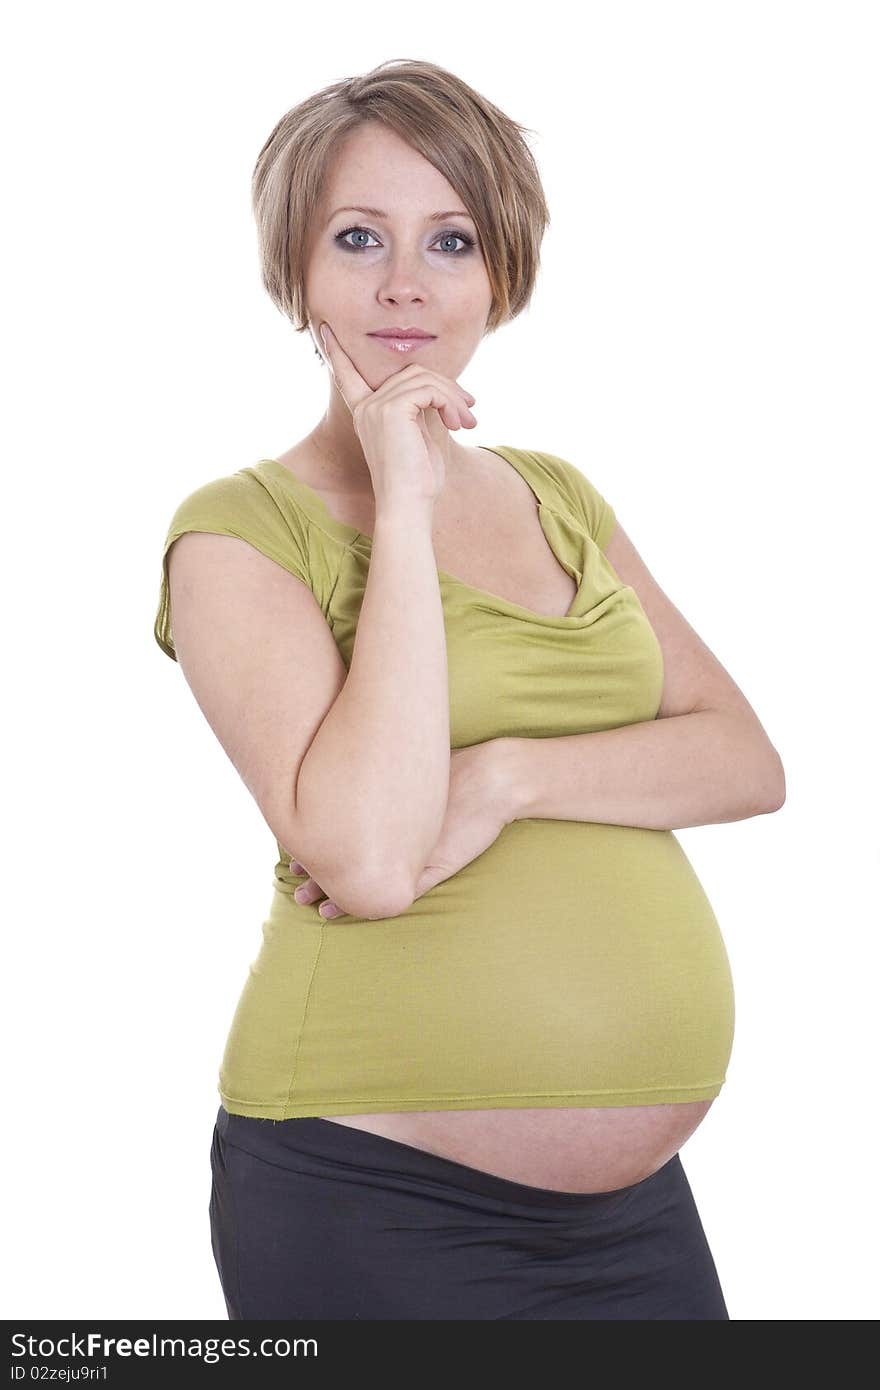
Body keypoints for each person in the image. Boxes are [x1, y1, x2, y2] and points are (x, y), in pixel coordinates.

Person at [154, 58, 785, 1320]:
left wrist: (503, 778)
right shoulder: (237, 533)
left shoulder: (558, 495)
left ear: (500, 267)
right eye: (356, 238)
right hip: (373, 1201)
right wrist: (404, 500)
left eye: (449, 239)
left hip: (637, 1217)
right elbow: (374, 861)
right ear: (295, 269)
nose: (405, 283)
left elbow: (745, 763)